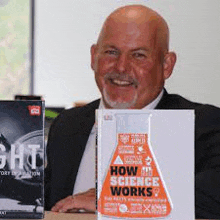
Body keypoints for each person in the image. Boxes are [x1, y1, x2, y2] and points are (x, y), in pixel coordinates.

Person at [44, 5, 220, 219]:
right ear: (93, 57)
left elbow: (211, 199)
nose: (121, 67)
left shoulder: (201, 125)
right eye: (111, 52)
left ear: (166, 65)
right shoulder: (67, 125)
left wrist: (113, 199)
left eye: (138, 55)